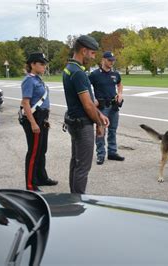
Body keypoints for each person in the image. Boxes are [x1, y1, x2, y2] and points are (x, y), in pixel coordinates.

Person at [62, 35, 109, 194]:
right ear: (84, 50)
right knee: (83, 166)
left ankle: (73, 196)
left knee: (75, 162)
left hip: (74, 121)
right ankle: (78, 201)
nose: (94, 56)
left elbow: (88, 103)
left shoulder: (69, 68)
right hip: (82, 124)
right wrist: (100, 123)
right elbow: (88, 105)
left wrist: (99, 114)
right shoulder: (79, 73)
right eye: (93, 53)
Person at [20, 52, 58, 192]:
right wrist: (33, 123)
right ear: (32, 64)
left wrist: (45, 120)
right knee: (34, 152)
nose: (44, 66)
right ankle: (30, 184)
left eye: (44, 64)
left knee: (42, 150)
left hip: (42, 118)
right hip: (34, 119)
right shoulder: (29, 80)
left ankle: (42, 177)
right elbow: (26, 103)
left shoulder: (38, 79)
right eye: (41, 63)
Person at [89, 51, 125, 164]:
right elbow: (86, 86)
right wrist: (92, 98)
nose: (111, 62)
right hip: (101, 107)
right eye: (109, 60)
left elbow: (119, 84)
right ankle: (101, 154)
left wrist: (120, 93)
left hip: (113, 106)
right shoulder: (95, 74)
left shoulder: (115, 74)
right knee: (101, 130)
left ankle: (112, 152)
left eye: (113, 60)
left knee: (113, 130)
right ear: (103, 60)